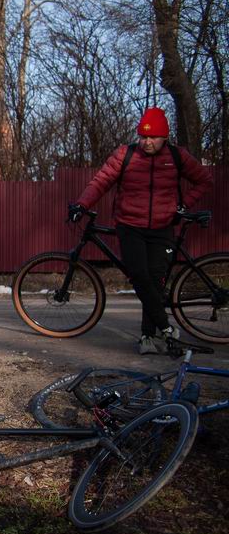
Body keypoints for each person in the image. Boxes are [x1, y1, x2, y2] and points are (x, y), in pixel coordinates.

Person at [71, 107, 212, 354]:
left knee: (154, 283)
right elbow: (101, 181)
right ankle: (165, 328)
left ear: (164, 138)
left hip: (163, 227)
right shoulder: (125, 155)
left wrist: (183, 205)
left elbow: (204, 180)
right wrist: (82, 204)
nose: (147, 142)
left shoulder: (177, 157)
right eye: (143, 137)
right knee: (139, 276)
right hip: (129, 226)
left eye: (153, 137)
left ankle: (148, 336)